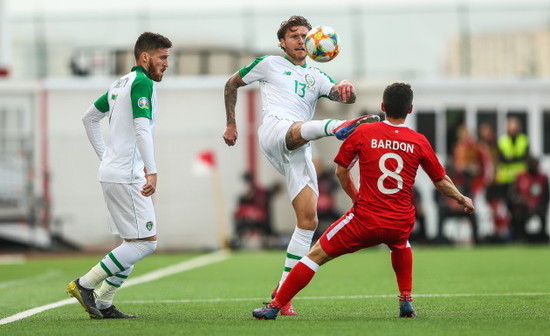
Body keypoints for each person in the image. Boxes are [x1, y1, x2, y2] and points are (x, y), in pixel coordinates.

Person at [252, 82, 475, 320]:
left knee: (316, 254)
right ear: (410, 110)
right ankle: (406, 300)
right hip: (399, 222)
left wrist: (356, 198)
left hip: (365, 220)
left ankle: (275, 305)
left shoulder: (365, 132)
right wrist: (462, 199)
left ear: (382, 107)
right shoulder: (419, 141)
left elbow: (341, 171)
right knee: (401, 244)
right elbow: (441, 181)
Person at [223, 15, 379, 315]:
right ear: (282, 42)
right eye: (294, 36)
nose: (301, 40)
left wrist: (348, 88)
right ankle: (338, 128)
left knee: (308, 221)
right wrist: (231, 123)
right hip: (274, 131)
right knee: (302, 127)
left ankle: (282, 295)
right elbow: (231, 84)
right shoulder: (268, 64)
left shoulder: (317, 77)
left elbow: (342, 95)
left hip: (300, 145)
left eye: (305, 35)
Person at [67, 32, 172, 319]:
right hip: (127, 175)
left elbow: (88, 118)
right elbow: (141, 129)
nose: (166, 63)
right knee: (146, 243)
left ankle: (103, 302)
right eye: (162, 57)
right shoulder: (141, 82)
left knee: (132, 241)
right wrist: (152, 170)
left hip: (115, 172)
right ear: (145, 57)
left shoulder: (119, 83)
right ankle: (85, 285)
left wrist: (107, 156)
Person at [510, 156, 549, 243]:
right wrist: (521, 200)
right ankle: (520, 237)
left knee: (542, 213)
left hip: (539, 207)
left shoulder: (543, 178)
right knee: (519, 214)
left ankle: (542, 237)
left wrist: (539, 206)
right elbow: (513, 194)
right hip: (524, 207)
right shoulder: (520, 177)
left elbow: (546, 197)